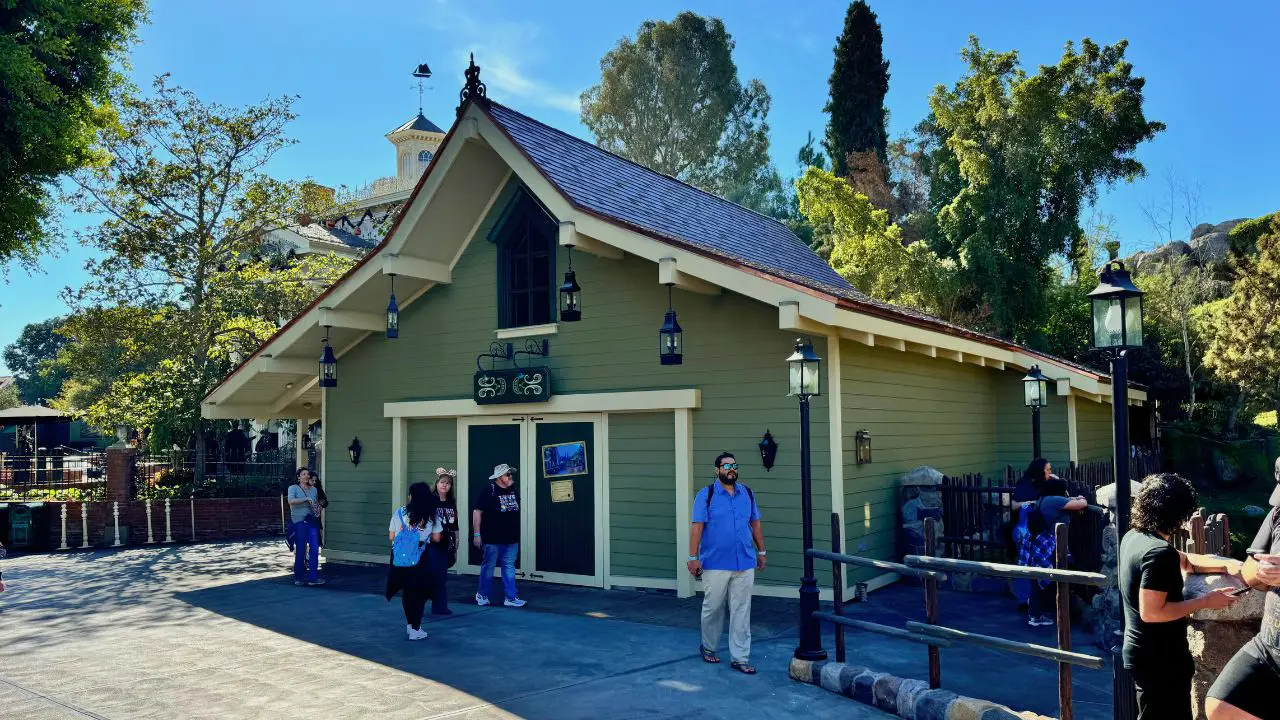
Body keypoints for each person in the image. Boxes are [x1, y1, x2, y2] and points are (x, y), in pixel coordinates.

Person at [1120, 473, 1239, 720]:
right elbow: (1152, 612)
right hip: (1160, 660)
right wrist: (1206, 601)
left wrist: (1225, 567)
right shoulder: (1158, 553)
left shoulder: (1134, 537)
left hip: (1143, 653)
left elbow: (1183, 560)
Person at [1206, 457, 1280, 720]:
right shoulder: (1278, 514)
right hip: (1269, 648)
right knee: (1219, 705)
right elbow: (1248, 571)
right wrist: (1262, 573)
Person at [687, 452, 765, 675]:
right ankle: (709, 646)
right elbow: (697, 528)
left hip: (745, 562)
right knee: (713, 608)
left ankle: (740, 657)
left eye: (734, 465)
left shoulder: (747, 493)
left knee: (741, 610)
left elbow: (756, 525)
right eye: (726, 465)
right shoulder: (706, 495)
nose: (731, 469)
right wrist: (693, 558)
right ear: (717, 470)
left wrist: (762, 551)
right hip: (715, 563)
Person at [386, 482, 441, 640]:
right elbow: (437, 537)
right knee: (418, 593)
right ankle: (416, 629)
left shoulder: (399, 512)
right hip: (419, 558)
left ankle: (411, 626)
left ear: (412, 496)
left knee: (407, 593)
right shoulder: (431, 516)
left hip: (398, 558)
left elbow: (391, 536)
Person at [473, 463, 525, 607]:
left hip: (511, 538)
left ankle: (511, 597)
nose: (510, 477)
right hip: (492, 537)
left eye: (510, 474)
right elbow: (477, 512)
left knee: (509, 566)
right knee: (488, 566)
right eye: (507, 474)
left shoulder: (513, 491)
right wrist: (477, 533)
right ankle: (482, 595)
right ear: (499, 477)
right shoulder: (489, 490)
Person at [287, 467, 325, 586]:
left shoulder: (313, 489)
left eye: (307, 474)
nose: (306, 476)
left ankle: (313, 578)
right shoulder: (293, 488)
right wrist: (306, 499)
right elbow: (291, 501)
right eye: (303, 474)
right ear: (298, 477)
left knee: (314, 549)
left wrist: (318, 507)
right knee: (301, 549)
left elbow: (314, 504)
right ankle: (299, 577)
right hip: (299, 521)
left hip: (311, 520)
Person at [429, 467, 459, 616]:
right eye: (442, 482)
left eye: (448, 483)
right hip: (431, 544)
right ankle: (419, 604)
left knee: (441, 576)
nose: (444, 485)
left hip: (446, 544)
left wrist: (457, 541)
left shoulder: (451, 503)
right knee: (432, 575)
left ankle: (440, 607)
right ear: (436, 483)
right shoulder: (431, 501)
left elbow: (455, 525)